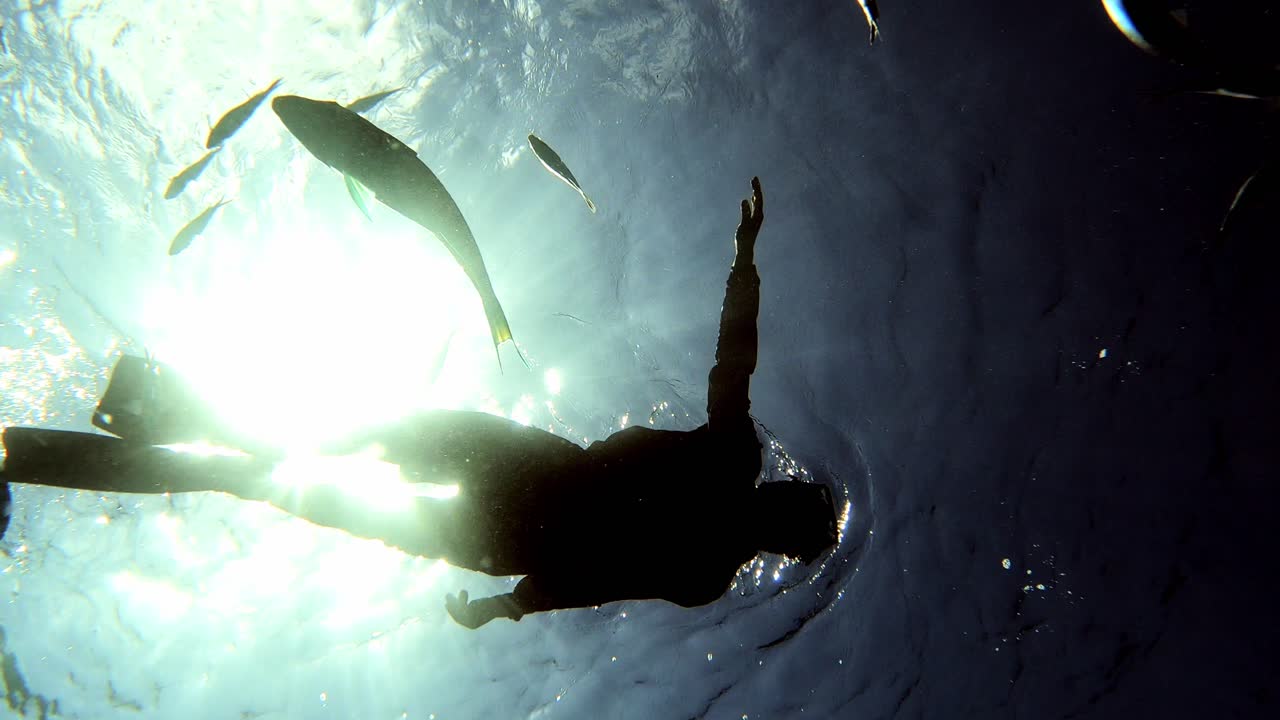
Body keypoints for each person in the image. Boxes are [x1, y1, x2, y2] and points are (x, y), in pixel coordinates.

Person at [0, 177, 839, 628]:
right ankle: (130, 431)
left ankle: (142, 422)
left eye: (789, 512)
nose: (777, 504)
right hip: (512, 499)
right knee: (309, 460)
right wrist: (743, 261)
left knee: (317, 457)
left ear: (783, 513)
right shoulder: (717, 532)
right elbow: (732, 365)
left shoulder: (713, 544)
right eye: (791, 512)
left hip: (511, 504)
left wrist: (506, 604)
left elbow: (593, 581)